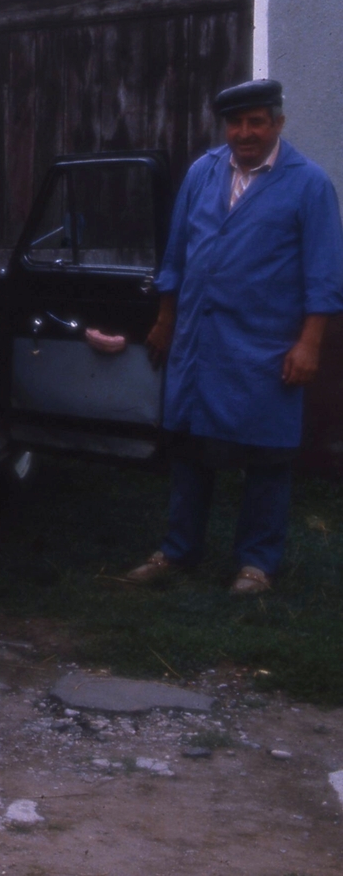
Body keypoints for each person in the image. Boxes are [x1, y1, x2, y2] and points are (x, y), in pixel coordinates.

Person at [126, 79, 343, 594]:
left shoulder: (309, 184)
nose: (245, 133)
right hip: (200, 340)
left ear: (278, 124)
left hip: (264, 346)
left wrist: (309, 343)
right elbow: (176, 254)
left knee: (267, 453)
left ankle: (257, 564)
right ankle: (178, 550)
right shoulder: (203, 172)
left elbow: (325, 276)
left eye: (257, 121)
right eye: (236, 122)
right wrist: (165, 317)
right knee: (190, 446)